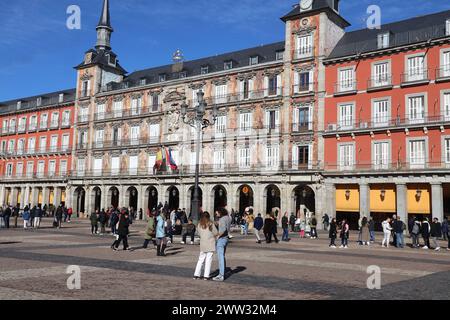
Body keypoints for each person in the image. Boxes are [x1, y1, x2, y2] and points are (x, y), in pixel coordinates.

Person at [194, 212, 218, 280]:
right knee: (208, 260)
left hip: (203, 243)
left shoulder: (199, 224)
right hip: (210, 243)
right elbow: (215, 233)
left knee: (200, 259)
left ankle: (196, 274)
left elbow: (198, 233)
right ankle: (206, 276)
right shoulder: (210, 224)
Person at [213, 208, 230, 282]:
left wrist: (217, 236)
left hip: (221, 239)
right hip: (226, 239)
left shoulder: (222, 219)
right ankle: (223, 272)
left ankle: (221, 275)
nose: (217, 215)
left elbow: (222, 230)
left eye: (217, 213)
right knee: (222, 256)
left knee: (220, 257)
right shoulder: (228, 218)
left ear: (221, 212)